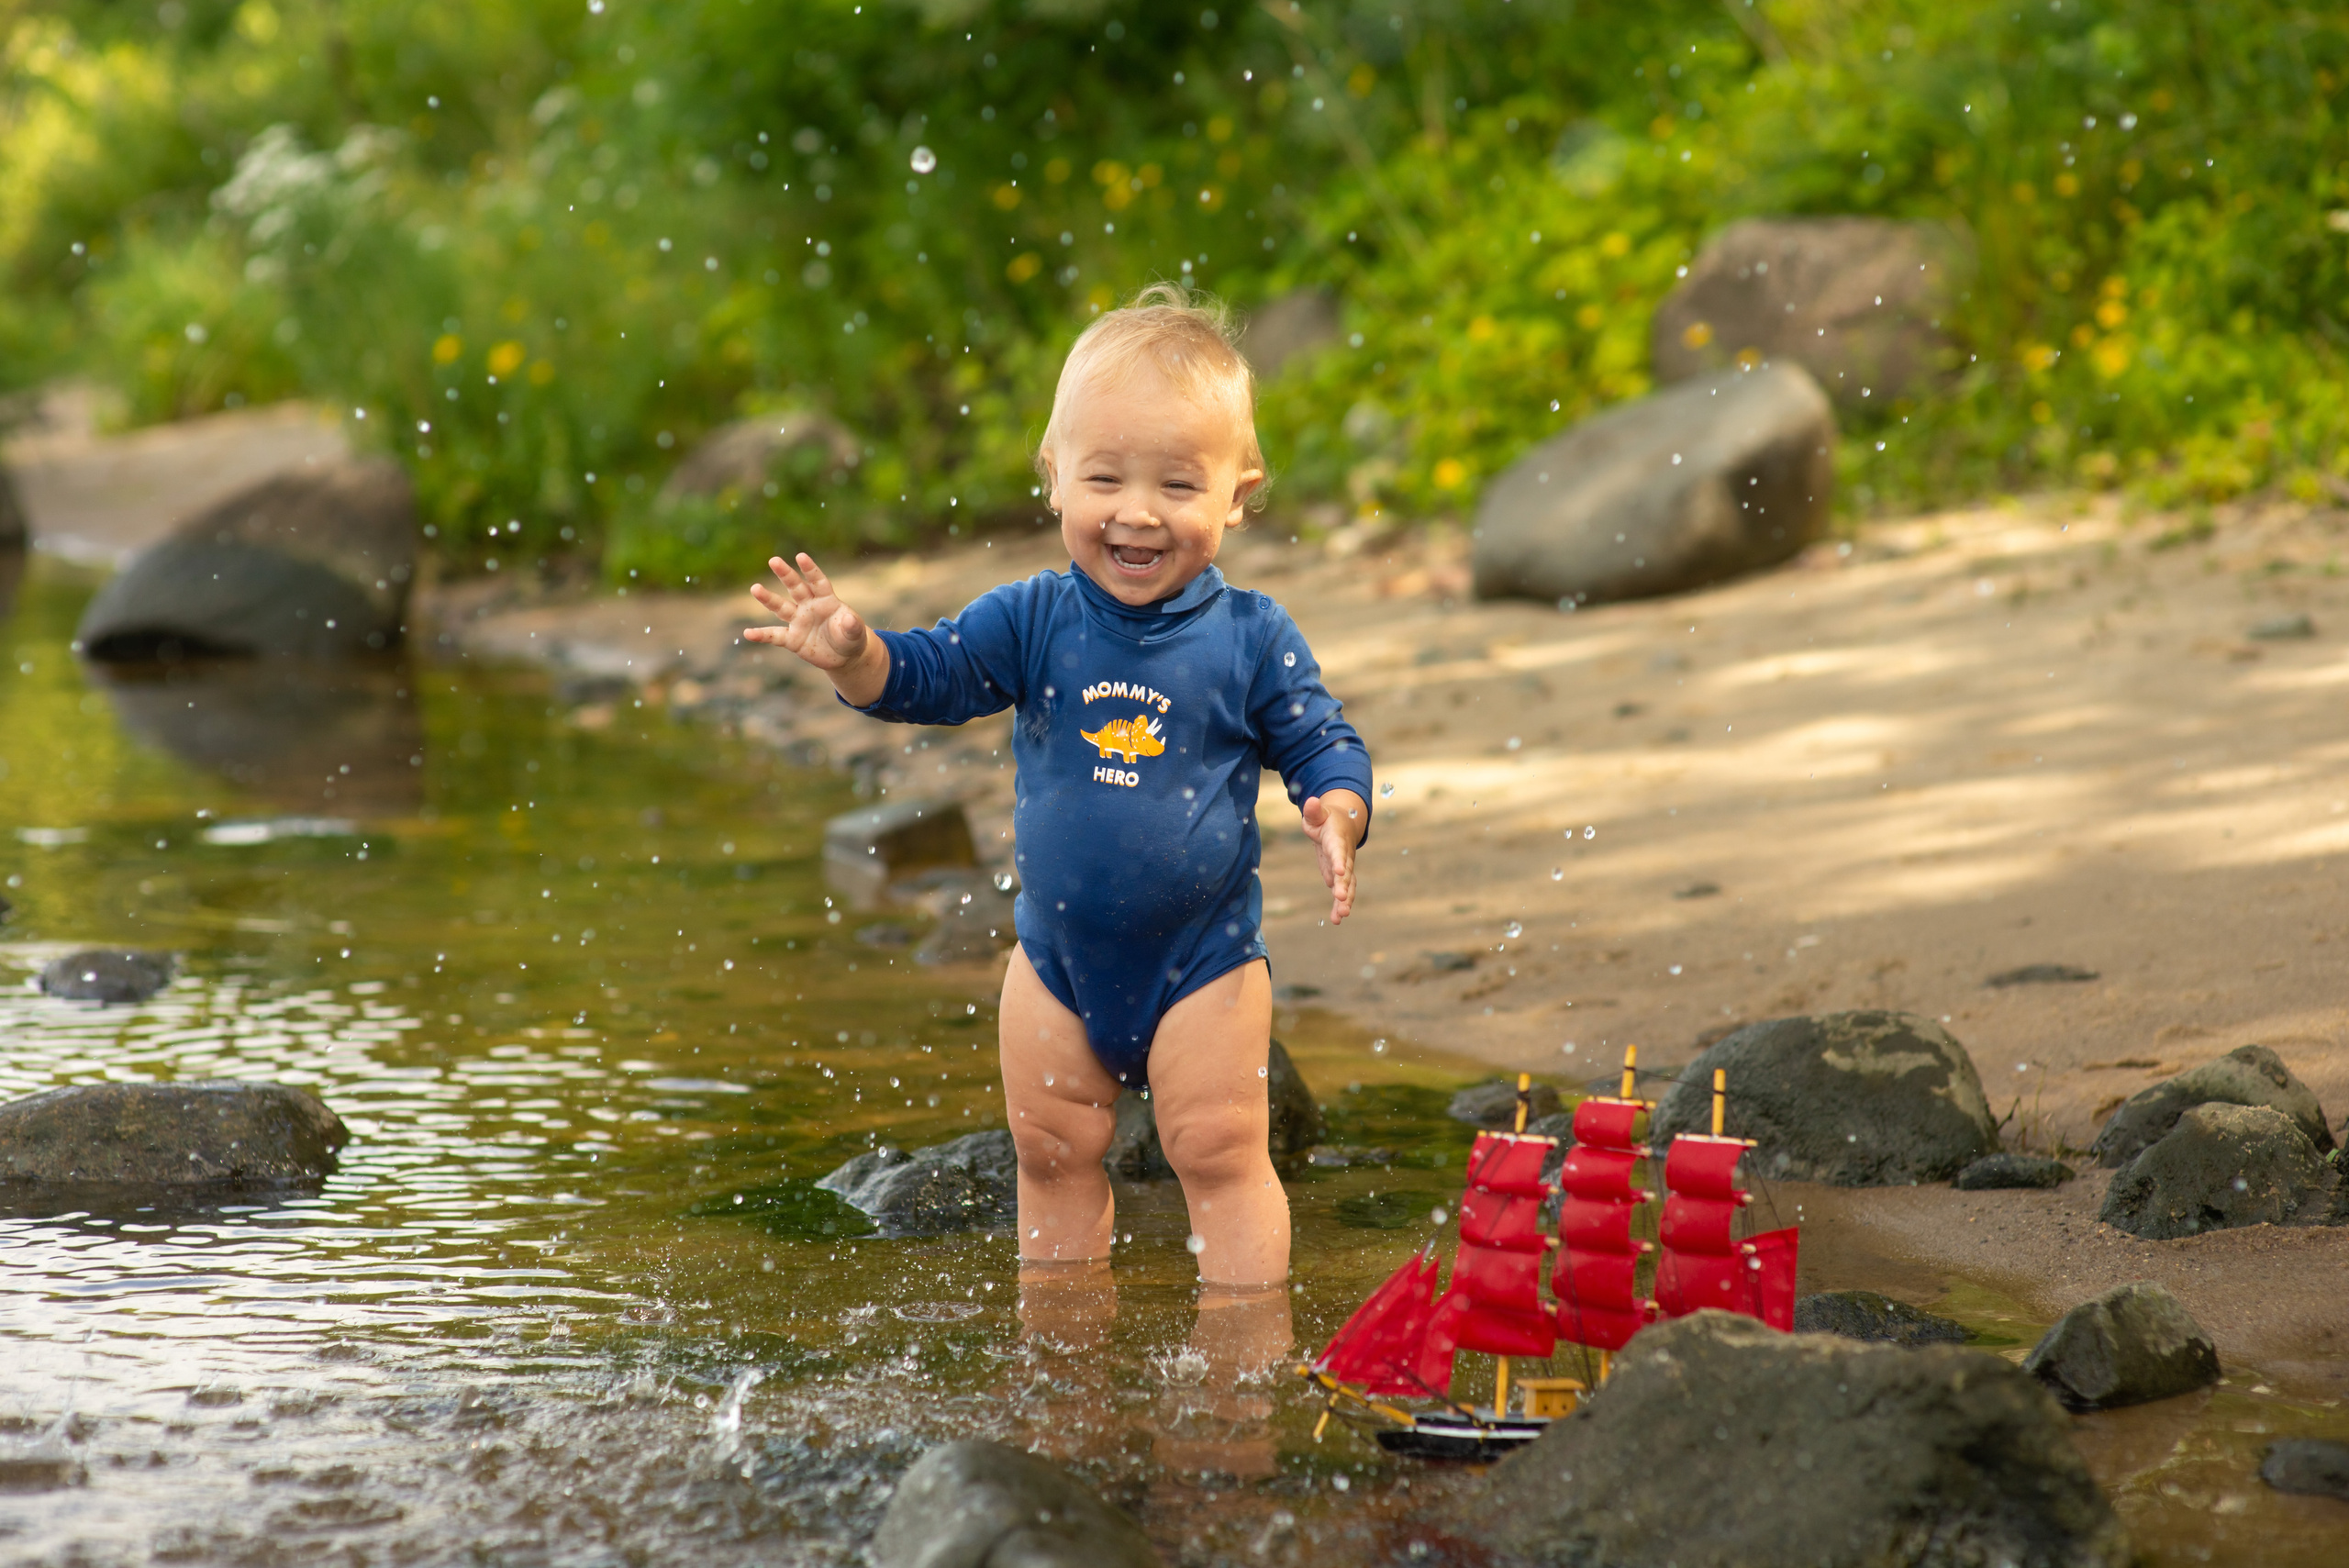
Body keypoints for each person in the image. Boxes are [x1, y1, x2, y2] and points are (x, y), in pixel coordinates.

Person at [746, 284, 1370, 1292]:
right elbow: (929, 677)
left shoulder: (1252, 635)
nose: (1135, 511)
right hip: (1054, 962)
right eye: (1105, 477)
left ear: (1238, 492)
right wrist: (855, 658)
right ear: (1054, 478)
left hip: (1200, 965)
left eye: (1176, 483)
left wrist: (1338, 806)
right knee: (1050, 1157)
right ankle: (1065, 1366)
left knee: (1217, 1155)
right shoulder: (1032, 617)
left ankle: (1242, 1361)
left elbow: (1323, 739)